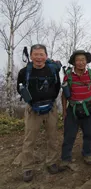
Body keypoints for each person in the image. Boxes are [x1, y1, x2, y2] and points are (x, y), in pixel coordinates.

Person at [17, 44, 61, 182]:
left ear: (46, 56)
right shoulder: (24, 72)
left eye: (41, 54)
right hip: (32, 109)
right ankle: (27, 168)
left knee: (52, 137)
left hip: (51, 108)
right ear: (31, 56)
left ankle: (52, 162)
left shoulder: (52, 69)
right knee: (29, 139)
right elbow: (20, 89)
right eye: (35, 54)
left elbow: (57, 86)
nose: (39, 57)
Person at [61, 50, 91, 167]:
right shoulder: (68, 75)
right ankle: (65, 158)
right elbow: (64, 94)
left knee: (88, 134)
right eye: (78, 60)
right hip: (72, 109)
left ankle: (87, 153)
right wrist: (64, 111)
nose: (80, 62)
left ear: (86, 61)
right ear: (74, 62)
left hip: (88, 108)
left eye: (83, 60)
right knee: (69, 135)